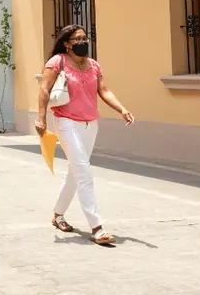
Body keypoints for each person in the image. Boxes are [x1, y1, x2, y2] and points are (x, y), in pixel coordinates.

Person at [37, 24, 135, 245]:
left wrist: (122, 109)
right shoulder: (57, 62)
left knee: (75, 172)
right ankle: (97, 227)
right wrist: (41, 118)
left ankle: (58, 214)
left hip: (91, 123)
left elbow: (104, 90)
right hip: (65, 121)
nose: (83, 42)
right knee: (84, 171)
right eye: (77, 39)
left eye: (85, 38)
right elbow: (44, 90)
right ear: (66, 43)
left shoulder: (93, 65)